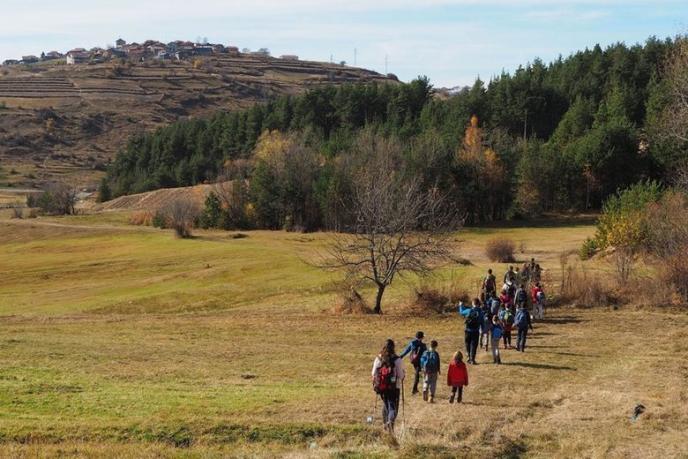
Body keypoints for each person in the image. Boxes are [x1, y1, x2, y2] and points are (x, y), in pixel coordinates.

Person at [372, 339, 406, 432]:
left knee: (386, 404)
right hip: (394, 387)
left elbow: (373, 373)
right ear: (393, 347)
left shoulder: (379, 358)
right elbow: (401, 375)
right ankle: (390, 423)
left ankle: (385, 424)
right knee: (392, 407)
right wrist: (403, 374)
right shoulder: (397, 359)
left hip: (381, 387)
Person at [459, 298, 484, 364]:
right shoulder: (481, 312)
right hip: (476, 331)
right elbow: (482, 322)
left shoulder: (469, 310)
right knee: (474, 345)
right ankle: (472, 359)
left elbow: (461, 312)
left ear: (473, 303)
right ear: (478, 304)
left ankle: (468, 356)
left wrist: (461, 306)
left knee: (467, 343)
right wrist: (482, 330)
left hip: (468, 330)